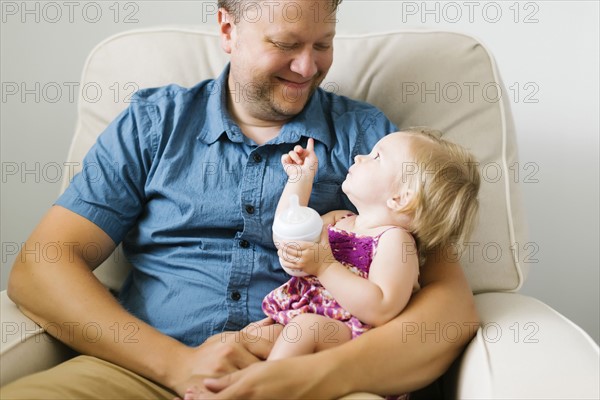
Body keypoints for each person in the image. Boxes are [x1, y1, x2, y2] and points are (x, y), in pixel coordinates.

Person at [1, 1, 479, 399]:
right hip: (144, 372)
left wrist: (302, 377)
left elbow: (449, 308)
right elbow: (41, 269)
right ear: (228, 28)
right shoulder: (154, 124)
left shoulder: (371, 140)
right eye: (286, 44)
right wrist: (177, 365)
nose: (307, 67)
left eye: (323, 44)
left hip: (319, 376)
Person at [182, 130, 480, 399]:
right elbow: (288, 229)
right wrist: (301, 180)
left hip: (349, 337)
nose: (360, 156)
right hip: (298, 324)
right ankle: (209, 390)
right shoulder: (340, 219)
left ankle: (263, 389)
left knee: (307, 328)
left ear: (400, 198)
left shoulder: (395, 242)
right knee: (242, 340)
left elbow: (381, 308)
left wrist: (324, 266)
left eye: (376, 157)